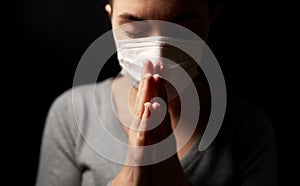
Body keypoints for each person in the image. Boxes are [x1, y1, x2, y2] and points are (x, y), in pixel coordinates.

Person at [36, 0, 277, 185]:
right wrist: (130, 177)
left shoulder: (247, 128)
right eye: (134, 30)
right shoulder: (73, 115)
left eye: (184, 29)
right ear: (111, 17)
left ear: (211, 18)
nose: (157, 55)